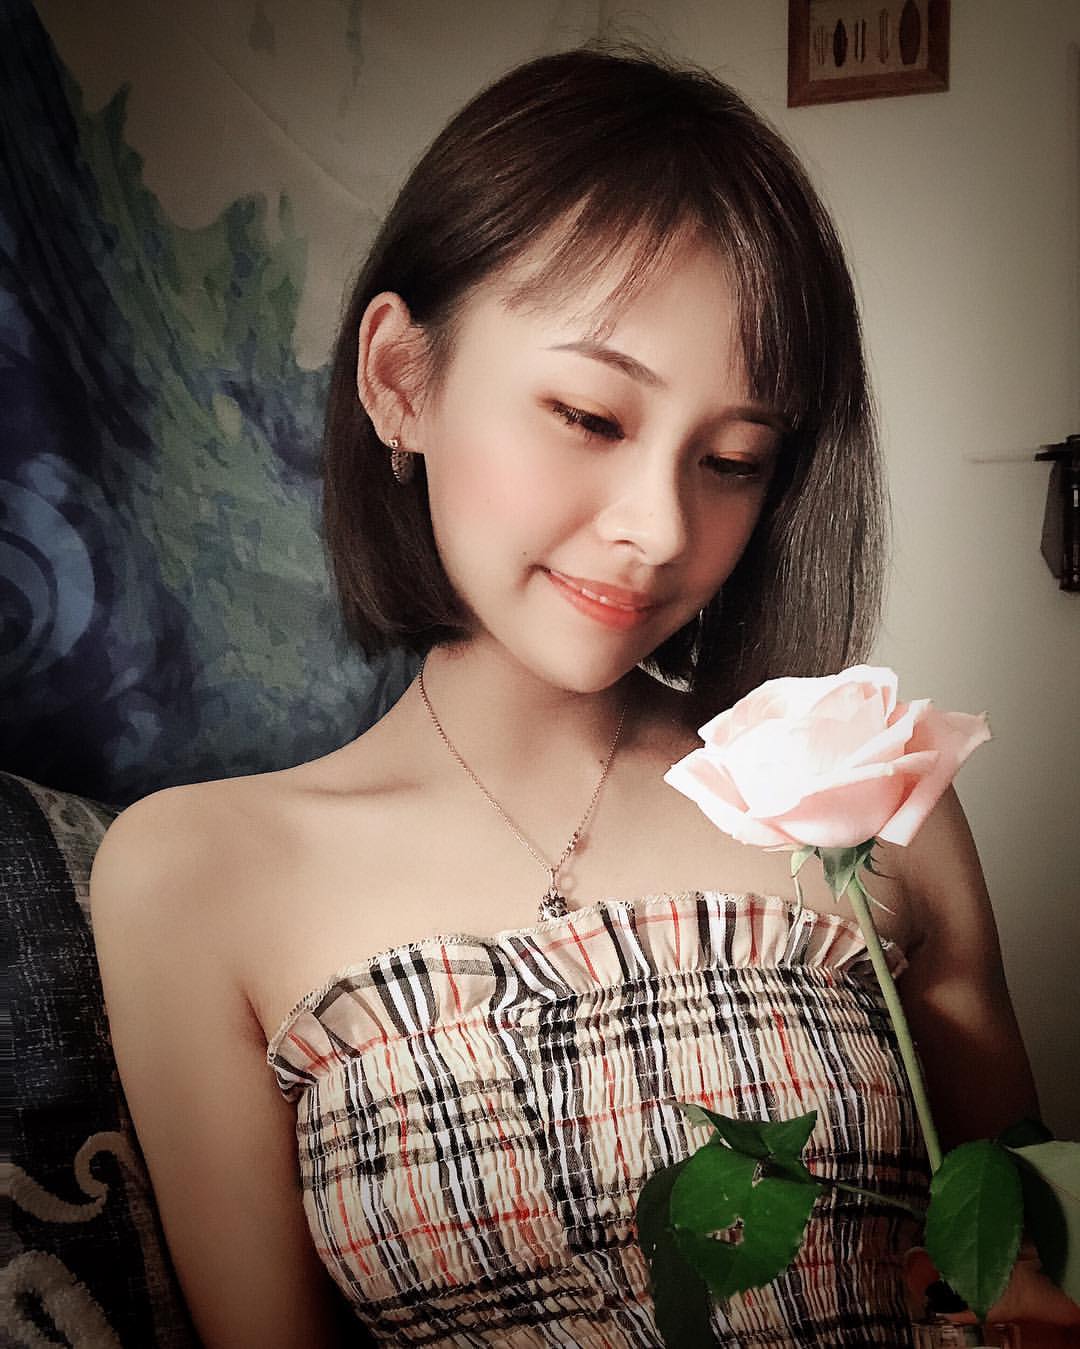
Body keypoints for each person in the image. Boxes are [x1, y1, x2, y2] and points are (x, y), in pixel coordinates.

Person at [90, 46, 1043, 1348]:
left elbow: (1025, 1268)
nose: (661, 528)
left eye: (733, 459)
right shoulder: (194, 875)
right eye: (591, 417)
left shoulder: (867, 795)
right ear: (401, 380)